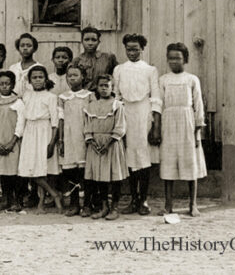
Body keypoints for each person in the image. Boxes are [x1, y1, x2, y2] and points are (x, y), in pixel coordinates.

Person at [112, 33, 161, 214]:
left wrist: (155, 126)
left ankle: (144, 200)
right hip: (126, 114)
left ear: (142, 49)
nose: (132, 52)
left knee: (143, 157)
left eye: (136, 49)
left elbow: (156, 97)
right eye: (129, 49)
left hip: (143, 113)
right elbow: (116, 96)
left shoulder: (150, 70)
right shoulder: (119, 69)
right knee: (129, 157)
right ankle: (133, 199)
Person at [159, 42, 205, 218]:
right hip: (169, 122)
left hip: (187, 122)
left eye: (177, 58)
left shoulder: (192, 79)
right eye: (171, 58)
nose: (174, 61)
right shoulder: (163, 80)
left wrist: (197, 133)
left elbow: (198, 106)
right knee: (168, 162)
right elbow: (159, 104)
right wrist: (157, 129)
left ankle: (193, 204)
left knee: (190, 162)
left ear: (185, 59)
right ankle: (168, 205)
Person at [14, 65, 63, 213]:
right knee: (30, 168)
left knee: (43, 169)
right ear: (29, 80)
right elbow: (22, 118)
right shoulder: (26, 96)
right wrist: (20, 136)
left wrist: (52, 142)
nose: (37, 80)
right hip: (30, 132)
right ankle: (54, 194)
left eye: (40, 77)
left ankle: (42, 203)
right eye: (34, 77)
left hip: (44, 132)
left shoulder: (51, 97)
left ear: (46, 79)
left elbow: (55, 122)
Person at [83, 73, 126, 220]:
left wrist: (108, 144)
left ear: (112, 87)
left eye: (107, 86)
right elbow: (87, 126)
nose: (103, 88)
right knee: (100, 176)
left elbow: (120, 126)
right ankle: (104, 206)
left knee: (115, 176)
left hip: (112, 144)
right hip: (96, 145)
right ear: (96, 87)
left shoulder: (117, 105)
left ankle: (115, 207)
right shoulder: (91, 106)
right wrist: (92, 142)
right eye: (101, 86)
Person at [57, 64, 91, 216]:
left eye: (75, 75)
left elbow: (91, 117)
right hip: (69, 137)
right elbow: (61, 119)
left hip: (84, 136)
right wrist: (61, 140)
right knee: (70, 171)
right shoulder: (63, 97)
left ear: (83, 77)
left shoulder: (89, 96)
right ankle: (74, 203)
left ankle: (87, 204)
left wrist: (90, 136)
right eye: (69, 76)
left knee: (84, 171)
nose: (72, 78)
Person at [0, 69, 23, 213]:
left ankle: (16, 200)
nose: (4, 86)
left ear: (13, 85)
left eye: (7, 83)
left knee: (13, 172)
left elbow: (21, 123)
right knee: (2, 172)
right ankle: (5, 200)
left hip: (13, 141)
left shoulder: (18, 102)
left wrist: (13, 141)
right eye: (1, 84)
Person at [73, 27, 118, 93]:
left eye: (94, 40)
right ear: (82, 41)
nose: (90, 43)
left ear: (98, 42)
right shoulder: (77, 61)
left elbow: (116, 77)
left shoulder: (108, 58)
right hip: (83, 95)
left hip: (102, 95)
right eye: (87, 40)